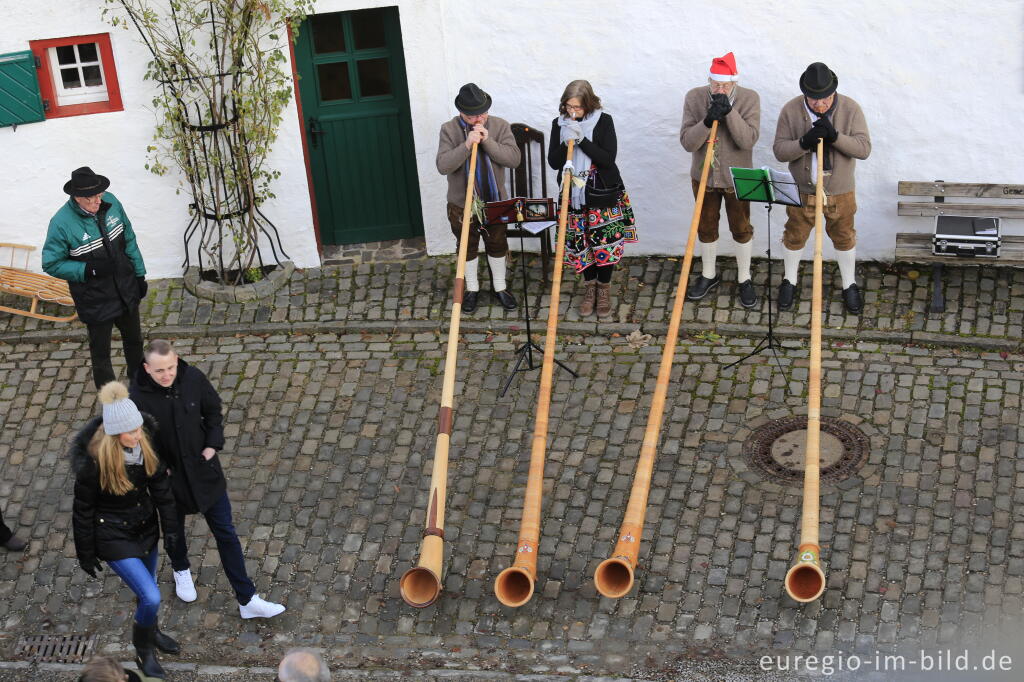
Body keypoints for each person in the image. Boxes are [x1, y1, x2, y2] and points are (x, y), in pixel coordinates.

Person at [129, 339, 285, 619]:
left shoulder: (193, 378)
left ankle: (247, 599)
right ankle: (180, 569)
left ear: (177, 361)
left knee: (226, 533)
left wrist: (212, 445)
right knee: (173, 531)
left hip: (204, 472)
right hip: (169, 480)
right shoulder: (136, 398)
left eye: (171, 368)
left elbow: (213, 412)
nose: (167, 375)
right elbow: (138, 442)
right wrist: (160, 468)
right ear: (146, 368)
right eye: (160, 371)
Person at [71, 382, 179, 680]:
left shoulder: (145, 446)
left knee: (148, 592)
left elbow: (162, 492)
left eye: (139, 428)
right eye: (131, 431)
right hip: (113, 537)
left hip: (145, 528)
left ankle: (151, 631)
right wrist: (86, 551)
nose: (138, 435)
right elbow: (83, 509)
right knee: (151, 596)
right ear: (114, 433)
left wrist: (171, 531)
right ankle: (143, 650)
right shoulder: (95, 464)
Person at [772, 62, 871, 314]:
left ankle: (849, 284)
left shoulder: (850, 109)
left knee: (844, 235)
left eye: (825, 99)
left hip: (840, 189)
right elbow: (780, 151)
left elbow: (863, 149)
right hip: (802, 189)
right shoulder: (791, 110)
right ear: (805, 95)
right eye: (814, 100)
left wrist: (836, 137)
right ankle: (790, 280)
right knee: (794, 235)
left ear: (834, 92)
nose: (820, 105)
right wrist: (804, 142)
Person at [43, 167, 148, 389]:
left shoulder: (112, 202)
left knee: (135, 341)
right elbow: (51, 263)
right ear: (76, 197)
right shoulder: (61, 223)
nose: (97, 202)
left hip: (125, 288)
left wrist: (139, 274)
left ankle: (141, 386)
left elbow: (128, 237)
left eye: (99, 196)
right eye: (90, 199)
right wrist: (87, 269)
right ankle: (112, 403)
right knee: (101, 355)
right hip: (95, 299)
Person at [548, 79, 637, 318]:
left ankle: (604, 289)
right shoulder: (559, 124)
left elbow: (608, 159)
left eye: (577, 107)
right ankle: (590, 288)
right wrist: (567, 139)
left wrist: (582, 140)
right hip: (573, 194)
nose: (573, 112)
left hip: (601, 192)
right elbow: (554, 162)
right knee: (581, 242)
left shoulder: (604, 121)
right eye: (569, 107)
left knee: (604, 242)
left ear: (588, 104)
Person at [680, 52, 761, 308]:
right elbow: (688, 142)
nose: (720, 89)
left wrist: (729, 113)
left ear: (735, 83)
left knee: (741, 227)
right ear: (709, 80)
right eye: (715, 84)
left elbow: (747, 140)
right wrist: (707, 120)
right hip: (704, 177)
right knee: (706, 226)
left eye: (725, 85)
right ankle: (708, 274)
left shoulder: (749, 99)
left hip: (739, 177)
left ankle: (745, 277)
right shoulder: (694, 97)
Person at [435, 83, 521, 314]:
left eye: (482, 112)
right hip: (461, 204)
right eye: (473, 115)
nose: (479, 118)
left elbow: (513, 159)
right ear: (462, 112)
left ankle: (500, 287)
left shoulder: (500, 125)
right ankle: (472, 289)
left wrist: (487, 141)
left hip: (494, 200)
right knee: (467, 246)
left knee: (497, 243)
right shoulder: (449, 129)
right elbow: (443, 166)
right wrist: (466, 144)